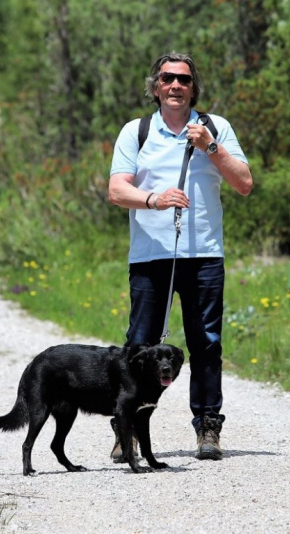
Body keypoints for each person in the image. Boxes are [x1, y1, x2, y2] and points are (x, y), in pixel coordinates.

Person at [108, 52, 253, 460]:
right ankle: (127, 431)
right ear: (156, 87)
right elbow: (117, 190)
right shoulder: (136, 131)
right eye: (168, 78)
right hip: (150, 256)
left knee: (206, 344)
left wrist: (211, 147)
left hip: (204, 254)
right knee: (139, 347)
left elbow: (244, 183)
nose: (176, 85)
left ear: (193, 88)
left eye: (184, 80)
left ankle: (208, 427)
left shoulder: (216, 128)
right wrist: (154, 199)